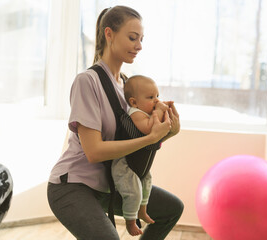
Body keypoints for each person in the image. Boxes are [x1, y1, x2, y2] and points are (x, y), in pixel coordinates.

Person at [47, 5, 183, 240]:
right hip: (72, 186)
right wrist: (151, 137)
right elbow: (94, 151)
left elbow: (138, 138)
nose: (139, 45)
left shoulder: (128, 87)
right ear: (109, 34)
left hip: (110, 184)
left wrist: (168, 132)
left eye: (141, 39)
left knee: (172, 209)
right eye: (132, 38)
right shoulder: (87, 82)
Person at [112, 75, 172, 236]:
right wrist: (159, 111)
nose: (156, 100)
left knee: (147, 183)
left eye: (157, 96)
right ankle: (130, 221)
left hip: (138, 164)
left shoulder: (146, 111)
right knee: (134, 192)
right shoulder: (135, 113)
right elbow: (148, 129)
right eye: (151, 97)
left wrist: (166, 115)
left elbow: (157, 130)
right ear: (133, 102)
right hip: (124, 165)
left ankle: (142, 211)